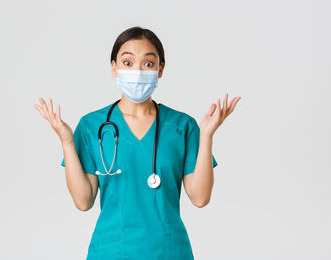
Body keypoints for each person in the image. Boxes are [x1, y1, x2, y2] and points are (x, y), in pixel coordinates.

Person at [34, 26, 240, 259]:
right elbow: (83, 201)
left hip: (169, 251)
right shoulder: (93, 126)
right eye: (128, 63)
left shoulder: (182, 126)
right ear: (114, 67)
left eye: (149, 64)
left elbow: (200, 198)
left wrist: (206, 136)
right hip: (111, 251)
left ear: (161, 69)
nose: (139, 71)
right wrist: (67, 142)